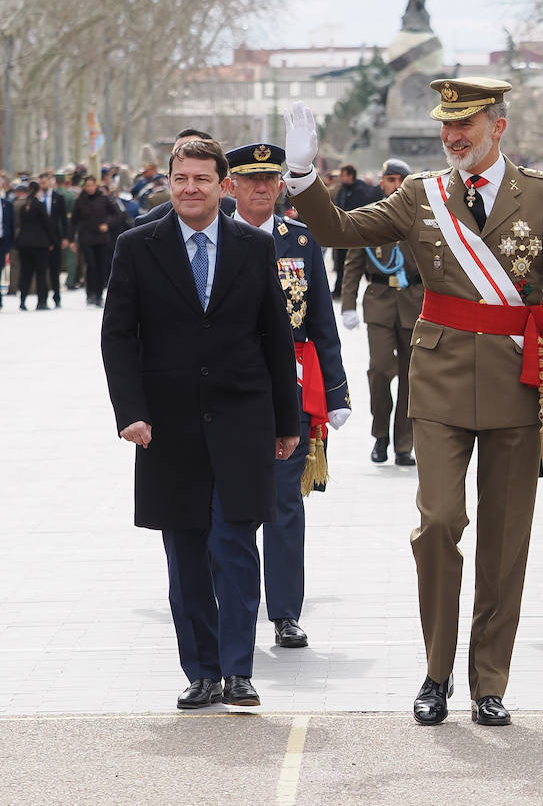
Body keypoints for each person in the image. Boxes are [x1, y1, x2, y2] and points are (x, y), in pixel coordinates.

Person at [281, 78, 543, 728]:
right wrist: (304, 175)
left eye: (465, 126)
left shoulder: (540, 196)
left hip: (517, 384)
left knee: (505, 542)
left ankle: (489, 681)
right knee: (440, 524)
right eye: (446, 127)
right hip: (440, 381)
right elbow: (338, 230)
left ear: (497, 127)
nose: (452, 137)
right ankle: (436, 670)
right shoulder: (421, 195)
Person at [100, 138, 300, 710]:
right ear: (169, 182)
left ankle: (238, 670)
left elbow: (276, 336)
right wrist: (130, 412)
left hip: (243, 419)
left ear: (223, 185)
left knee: (234, 544)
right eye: (181, 178)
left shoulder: (254, 247)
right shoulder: (137, 246)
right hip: (168, 426)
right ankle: (203, 672)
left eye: (202, 179)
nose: (190, 188)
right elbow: (118, 335)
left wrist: (287, 419)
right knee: (185, 549)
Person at [227, 142, 351, 650]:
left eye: (269, 179)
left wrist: (336, 392)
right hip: (228, 393)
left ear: (281, 185)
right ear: (231, 185)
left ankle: (284, 613)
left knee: (283, 505)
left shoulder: (300, 240)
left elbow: (321, 318)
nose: (261, 188)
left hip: (288, 392)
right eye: (250, 179)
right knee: (229, 507)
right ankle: (231, 609)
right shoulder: (213, 238)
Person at [340, 159, 423, 466]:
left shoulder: (422, 217)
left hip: (414, 303)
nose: (396, 185)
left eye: (401, 179)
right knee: (380, 369)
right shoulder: (370, 216)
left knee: (411, 376)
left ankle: (404, 444)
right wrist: (348, 305)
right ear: (382, 183)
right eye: (391, 179)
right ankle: (380, 435)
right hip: (379, 302)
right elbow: (353, 265)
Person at [69, 175, 124, 306]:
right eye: (87, 186)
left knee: (101, 266)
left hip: (101, 238)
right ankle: (90, 293)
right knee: (91, 265)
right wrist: (71, 239)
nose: (90, 188)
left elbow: (117, 214)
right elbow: (74, 221)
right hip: (86, 237)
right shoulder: (80, 200)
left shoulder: (104, 199)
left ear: (96, 185)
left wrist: (107, 224)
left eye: (92, 185)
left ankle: (99, 294)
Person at [330, 164, 381, 296]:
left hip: (356, 234)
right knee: (341, 264)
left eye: (343, 175)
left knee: (358, 265)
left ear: (350, 176)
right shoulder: (343, 189)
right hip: (343, 234)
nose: (340, 178)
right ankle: (338, 289)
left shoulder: (360, 190)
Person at [16, 180, 59, 310]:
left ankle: (22, 300)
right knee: (41, 273)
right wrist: (52, 241)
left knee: (25, 273)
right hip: (39, 244)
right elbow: (47, 224)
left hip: (24, 243)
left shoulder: (24, 207)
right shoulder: (39, 205)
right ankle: (41, 301)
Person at [37, 171, 70, 307]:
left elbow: (63, 219)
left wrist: (65, 237)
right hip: (40, 239)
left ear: (51, 182)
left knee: (54, 270)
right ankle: (42, 299)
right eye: (41, 183)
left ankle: (57, 297)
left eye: (45, 182)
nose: (43, 185)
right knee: (41, 270)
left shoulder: (58, 198)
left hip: (55, 238)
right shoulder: (37, 199)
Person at [0, 187, 12, 310]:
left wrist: (9, 245)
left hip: (2, 241)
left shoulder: (6, 204)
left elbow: (11, 224)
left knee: (0, 267)